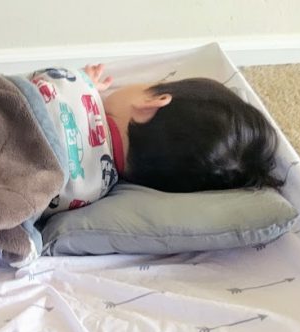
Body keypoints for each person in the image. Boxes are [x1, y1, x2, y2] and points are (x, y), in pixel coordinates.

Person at [29, 63, 283, 217]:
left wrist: (83, 81)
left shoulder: (75, 87)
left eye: (153, 84)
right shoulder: (92, 192)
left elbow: (37, 81)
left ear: (150, 104)